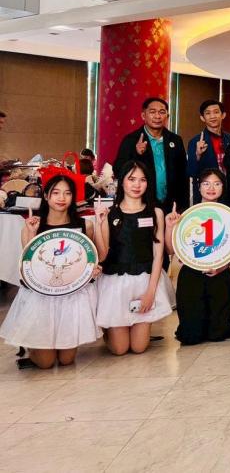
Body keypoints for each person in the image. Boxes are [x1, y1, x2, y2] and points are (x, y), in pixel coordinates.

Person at [0, 176, 102, 369]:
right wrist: (31, 232)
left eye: (67, 193)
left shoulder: (85, 226)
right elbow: (28, 266)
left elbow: (90, 259)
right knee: (45, 363)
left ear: (73, 197)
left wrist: (93, 269)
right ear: (46, 196)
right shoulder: (33, 226)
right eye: (56, 193)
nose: (61, 198)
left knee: (66, 360)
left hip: (71, 296)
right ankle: (33, 346)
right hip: (42, 297)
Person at [95, 161, 175, 355]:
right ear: (121, 181)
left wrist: (150, 292)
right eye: (132, 179)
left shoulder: (155, 213)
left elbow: (159, 255)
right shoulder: (110, 214)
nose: (137, 185)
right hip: (115, 283)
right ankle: (109, 331)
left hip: (145, 280)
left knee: (138, 347)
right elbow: (102, 255)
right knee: (120, 349)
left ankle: (133, 327)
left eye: (142, 180)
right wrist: (98, 223)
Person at [163, 168, 230, 346]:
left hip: (219, 273)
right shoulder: (185, 215)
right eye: (206, 183)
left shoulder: (229, 216)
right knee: (191, 336)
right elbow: (170, 250)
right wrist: (170, 227)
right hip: (192, 274)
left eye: (217, 184)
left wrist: (222, 267)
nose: (211, 188)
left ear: (223, 187)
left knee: (218, 334)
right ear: (199, 187)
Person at [113, 97, 189, 211]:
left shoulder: (176, 140)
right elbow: (118, 170)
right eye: (152, 112)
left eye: (162, 112)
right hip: (142, 204)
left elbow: (183, 174)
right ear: (143, 115)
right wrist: (137, 154)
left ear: (167, 116)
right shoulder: (131, 140)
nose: (157, 116)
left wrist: (183, 207)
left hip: (171, 205)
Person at [186, 100, 230, 206]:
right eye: (208, 113)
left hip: (229, 193)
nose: (212, 116)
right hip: (207, 194)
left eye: (216, 112)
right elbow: (191, 172)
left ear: (223, 115)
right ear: (202, 118)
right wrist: (197, 155)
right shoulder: (195, 141)